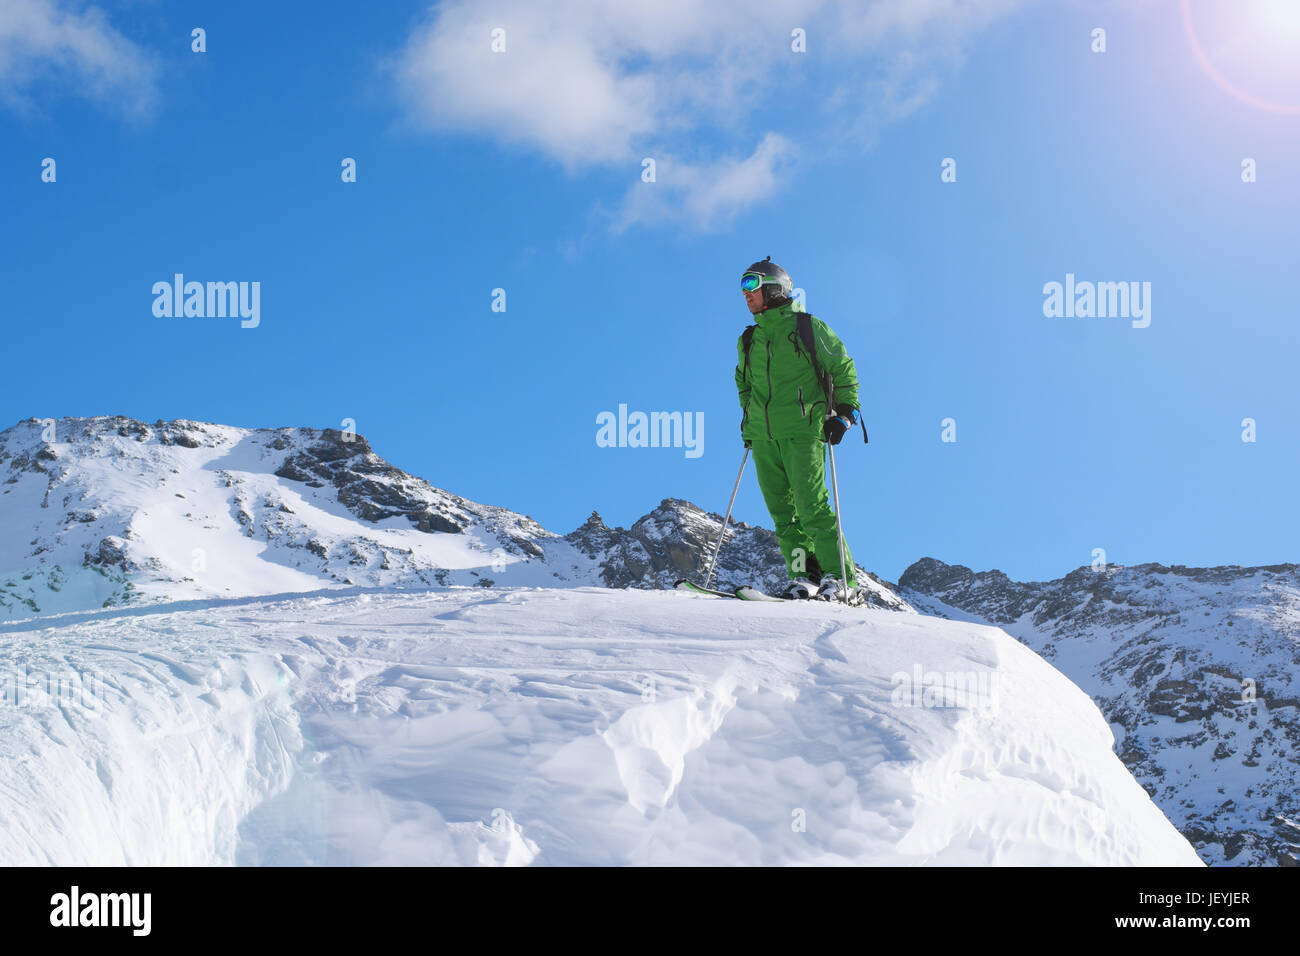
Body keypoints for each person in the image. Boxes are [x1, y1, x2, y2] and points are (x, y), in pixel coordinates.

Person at [735, 257, 865, 603]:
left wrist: (846, 413)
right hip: (764, 437)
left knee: (812, 508)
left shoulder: (809, 328)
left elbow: (841, 367)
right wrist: (749, 421)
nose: (745, 294)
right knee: (783, 515)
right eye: (742, 287)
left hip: (803, 430)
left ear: (774, 289)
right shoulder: (749, 340)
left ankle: (842, 580)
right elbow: (743, 384)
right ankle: (804, 577)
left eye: (752, 285)